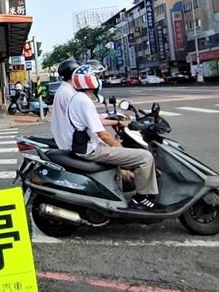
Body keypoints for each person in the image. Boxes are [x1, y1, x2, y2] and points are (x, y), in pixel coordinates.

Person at [59, 65, 158, 210]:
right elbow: (103, 134)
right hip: (91, 150)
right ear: (90, 81)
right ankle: (141, 198)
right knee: (145, 157)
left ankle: (136, 189)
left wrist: (116, 121)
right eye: (96, 77)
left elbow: (95, 122)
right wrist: (121, 149)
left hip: (85, 146)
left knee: (126, 149)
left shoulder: (77, 98)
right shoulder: (84, 101)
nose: (99, 81)